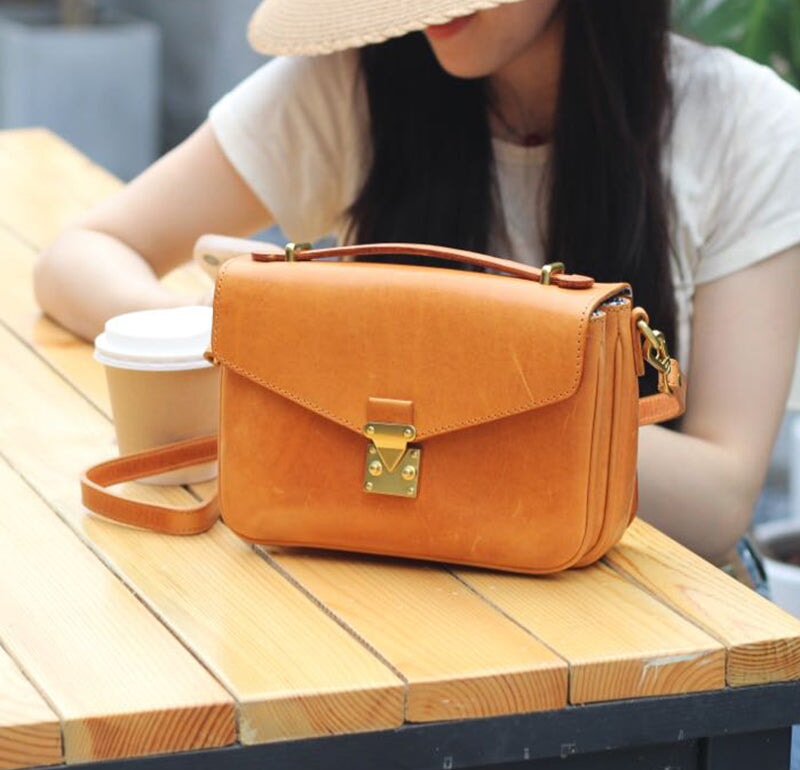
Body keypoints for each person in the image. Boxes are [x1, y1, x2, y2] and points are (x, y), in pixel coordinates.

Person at [34, 6, 800, 572]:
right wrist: (237, 333)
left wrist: (389, 379)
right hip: (383, 588)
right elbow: (78, 256)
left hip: (666, 638)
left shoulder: (748, 127)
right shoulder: (357, 83)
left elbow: (719, 499)